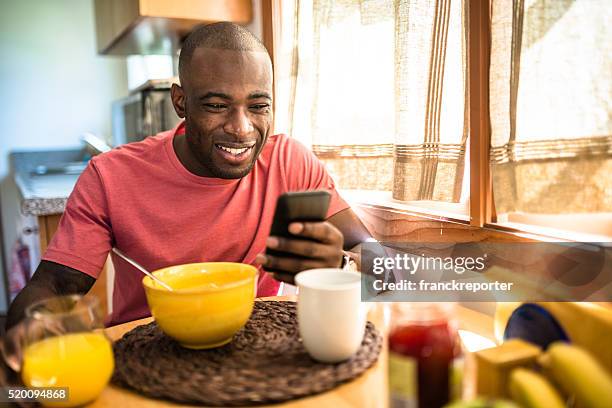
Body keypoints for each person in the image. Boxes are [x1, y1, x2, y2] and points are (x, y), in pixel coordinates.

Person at [6, 22, 372, 329]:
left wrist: (344, 265)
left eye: (259, 106)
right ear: (180, 101)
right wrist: (28, 338)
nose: (242, 129)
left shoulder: (290, 162)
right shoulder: (110, 176)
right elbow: (52, 287)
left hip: (259, 348)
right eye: (216, 105)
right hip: (147, 352)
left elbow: (380, 261)